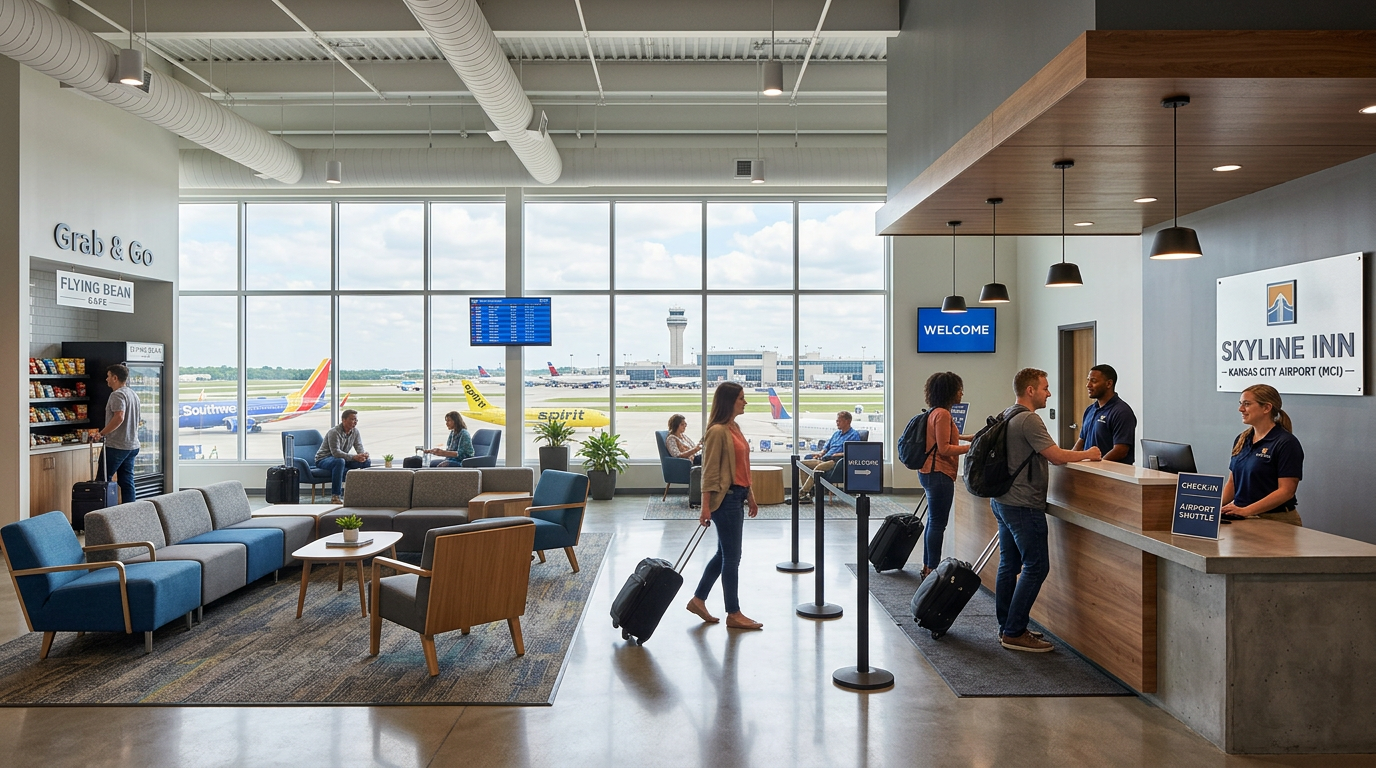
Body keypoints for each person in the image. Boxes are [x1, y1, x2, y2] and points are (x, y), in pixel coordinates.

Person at [992, 368, 1101, 653]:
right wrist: (1089, 453)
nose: (1049, 393)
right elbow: (1056, 457)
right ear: (1030, 390)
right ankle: (1014, 631)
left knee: (1009, 565)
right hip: (1023, 505)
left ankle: (1007, 626)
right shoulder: (1029, 419)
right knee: (1036, 566)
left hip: (1003, 500)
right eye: (1045, 388)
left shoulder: (1008, 413)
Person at [686, 382, 763, 631]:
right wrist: (704, 507)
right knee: (732, 557)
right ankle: (734, 612)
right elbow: (708, 473)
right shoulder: (717, 431)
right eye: (741, 398)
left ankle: (699, 600)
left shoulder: (734, 427)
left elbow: (742, 467)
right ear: (729, 401)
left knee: (723, 555)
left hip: (738, 495)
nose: (745, 402)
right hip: (725, 500)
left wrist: (750, 495)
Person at [1222, 384, 1304, 526]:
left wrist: (1247, 510)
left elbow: (1286, 491)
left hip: (1276, 520)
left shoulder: (1286, 443)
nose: (1240, 409)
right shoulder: (1242, 439)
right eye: (1241, 404)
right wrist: (1213, 507)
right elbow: (1232, 483)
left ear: (1266, 408)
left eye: (1247, 404)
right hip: (1242, 517)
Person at [917, 372, 973, 579]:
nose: (961, 393)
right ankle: (932, 568)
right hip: (939, 473)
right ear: (950, 391)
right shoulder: (944, 414)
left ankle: (927, 566)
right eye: (959, 388)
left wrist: (969, 437)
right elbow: (944, 448)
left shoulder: (934, 412)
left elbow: (945, 439)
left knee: (933, 522)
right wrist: (971, 447)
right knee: (938, 524)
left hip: (929, 472)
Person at [1072, 364, 1137, 464]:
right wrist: (1070, 459)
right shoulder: (1090, 409)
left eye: (1093, 381)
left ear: (1109, 384)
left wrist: (1099, 466)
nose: (1088, 385)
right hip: (1090, 471)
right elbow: (1082, 440)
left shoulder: (1122, 412)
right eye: (1088, 380)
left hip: (1112, 474)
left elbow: (1120, 450)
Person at [96, 364, 141, 504]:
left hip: (116, 445)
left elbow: (119, 417)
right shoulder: (133, 394)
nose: (106, 379)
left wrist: (101, 433)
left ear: (115, 378)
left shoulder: (117, 394)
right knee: (127, 481)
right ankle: (130, 513)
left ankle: (103, 516)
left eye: (109, 376)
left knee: (103, 481)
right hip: (132, 445)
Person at [796, 411, 863, 501]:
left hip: (836, 462)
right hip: (825, 458)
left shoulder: (854, 435)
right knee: (803, 464)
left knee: (819, 467)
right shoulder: (836, 434)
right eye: (836, 421)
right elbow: (827, 446)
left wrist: (840, 454)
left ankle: (802, 493)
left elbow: (855, 452)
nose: (837, 423)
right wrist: (821, 453)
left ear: (847, 421)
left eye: (839, 421)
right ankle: (809, 494)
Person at [316, 409, 371, 504]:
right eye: (352, 419)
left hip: (342, 459)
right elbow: (336, 453)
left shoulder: (355, 432)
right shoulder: (334, 432)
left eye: (356, 420)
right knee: (339, 461)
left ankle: (364, 494)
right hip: (324, 459)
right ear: (344, 420)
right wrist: (354, 457)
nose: (355, 422)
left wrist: (363, 455)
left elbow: (359, 447)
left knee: (366, 462)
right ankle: (335, 497)